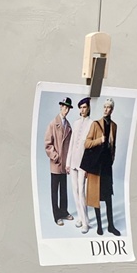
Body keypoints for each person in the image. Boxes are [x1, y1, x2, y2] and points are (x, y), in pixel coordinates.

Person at [81, 98, 120, 236]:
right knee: (96, 196)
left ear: (112, 110)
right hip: (96, 166)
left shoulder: (114, 126)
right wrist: (100, 140)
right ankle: (99, 226)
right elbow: (86, 143)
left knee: (108, 197)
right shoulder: (96, 124)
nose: (105, 109)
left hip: (106, 166)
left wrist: (111, 160)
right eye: (104, 106)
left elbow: (113, 146)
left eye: (108, 107)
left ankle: (111, 226)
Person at [44, 96, 73, 226]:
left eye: (68, 108)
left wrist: (69, 162)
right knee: (55, 191)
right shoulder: (53, 124)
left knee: (64, 190)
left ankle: (64, 211)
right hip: (56, 164)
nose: (66, 110)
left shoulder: (68, 126)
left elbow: (70, 146)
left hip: (65, 165)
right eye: (65, 107)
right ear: (61, 107)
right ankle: (57, 216)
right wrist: (55, 156)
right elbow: (47, 144)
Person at [66, 97, 93, 233]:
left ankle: (85, 222)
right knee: (75, 191)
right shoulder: (76, 123)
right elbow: (71, 144)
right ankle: (80, 218)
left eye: (84, 107)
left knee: (82, 192)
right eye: (81, 108)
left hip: (83, 163)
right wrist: (68, 163)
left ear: (88, 108)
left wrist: (88, 167)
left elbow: (91, 149)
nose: (82, 110)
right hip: (73, 162)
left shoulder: (92, 124)